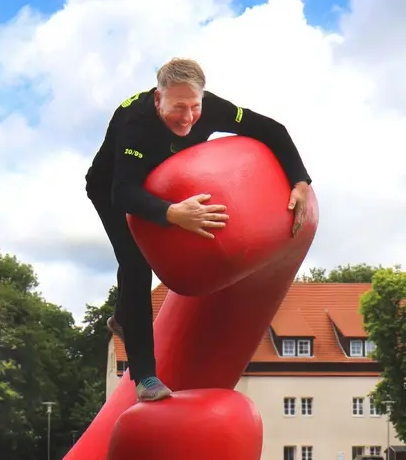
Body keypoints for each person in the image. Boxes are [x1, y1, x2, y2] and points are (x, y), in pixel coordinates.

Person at [84, 58, 312, 402]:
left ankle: (122, 316)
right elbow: (124, 192)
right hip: (115, 189)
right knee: (136, 264)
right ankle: (145, 378)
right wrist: (173, 213)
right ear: (159, 99)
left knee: (147, 261)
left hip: (165, 185)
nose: (189, 117)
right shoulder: (134, 120)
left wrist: (300, 179)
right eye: (179, 107)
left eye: (195, 106)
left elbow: (271, 129)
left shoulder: (209, 109)